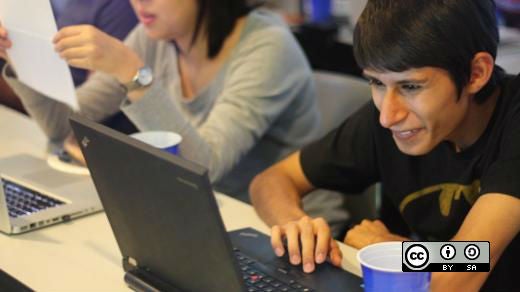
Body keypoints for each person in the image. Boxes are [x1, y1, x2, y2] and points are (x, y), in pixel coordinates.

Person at [249, 0, 520, 291]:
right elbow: (271, 181)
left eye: (411, 86)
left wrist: (392, 252)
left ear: (476, 74)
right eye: (376, 83)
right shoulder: (395, 116)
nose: (388, 117)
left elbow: (465, 268)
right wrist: (297, 225)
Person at [0, 0, 320, 202]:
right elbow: (62, 127)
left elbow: (205, 168)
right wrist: (20, 59)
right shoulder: (155, 35)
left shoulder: (268, 48)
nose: (139, 3)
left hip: (284, 228)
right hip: (197, 211)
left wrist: (132, 73)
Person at [0, 0, 138, 114]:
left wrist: (129, 67)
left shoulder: (120, 10)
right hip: (46, 104)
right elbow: (63, 123)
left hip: (60, 103)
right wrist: (18, 58)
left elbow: (66, 121)